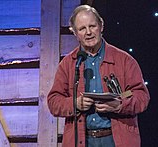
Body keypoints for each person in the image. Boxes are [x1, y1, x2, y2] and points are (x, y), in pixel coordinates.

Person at [47, 4, 150, 147]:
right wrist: (74, 103)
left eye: (92, 26)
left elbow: (141, 97)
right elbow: (54, 101)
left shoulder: (124, 60)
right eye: (82, 29)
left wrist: (119, 104)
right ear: (75, 33)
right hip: (82, 140)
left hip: (116, 140)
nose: (88, 32)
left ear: (101, 26)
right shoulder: (68, 64)